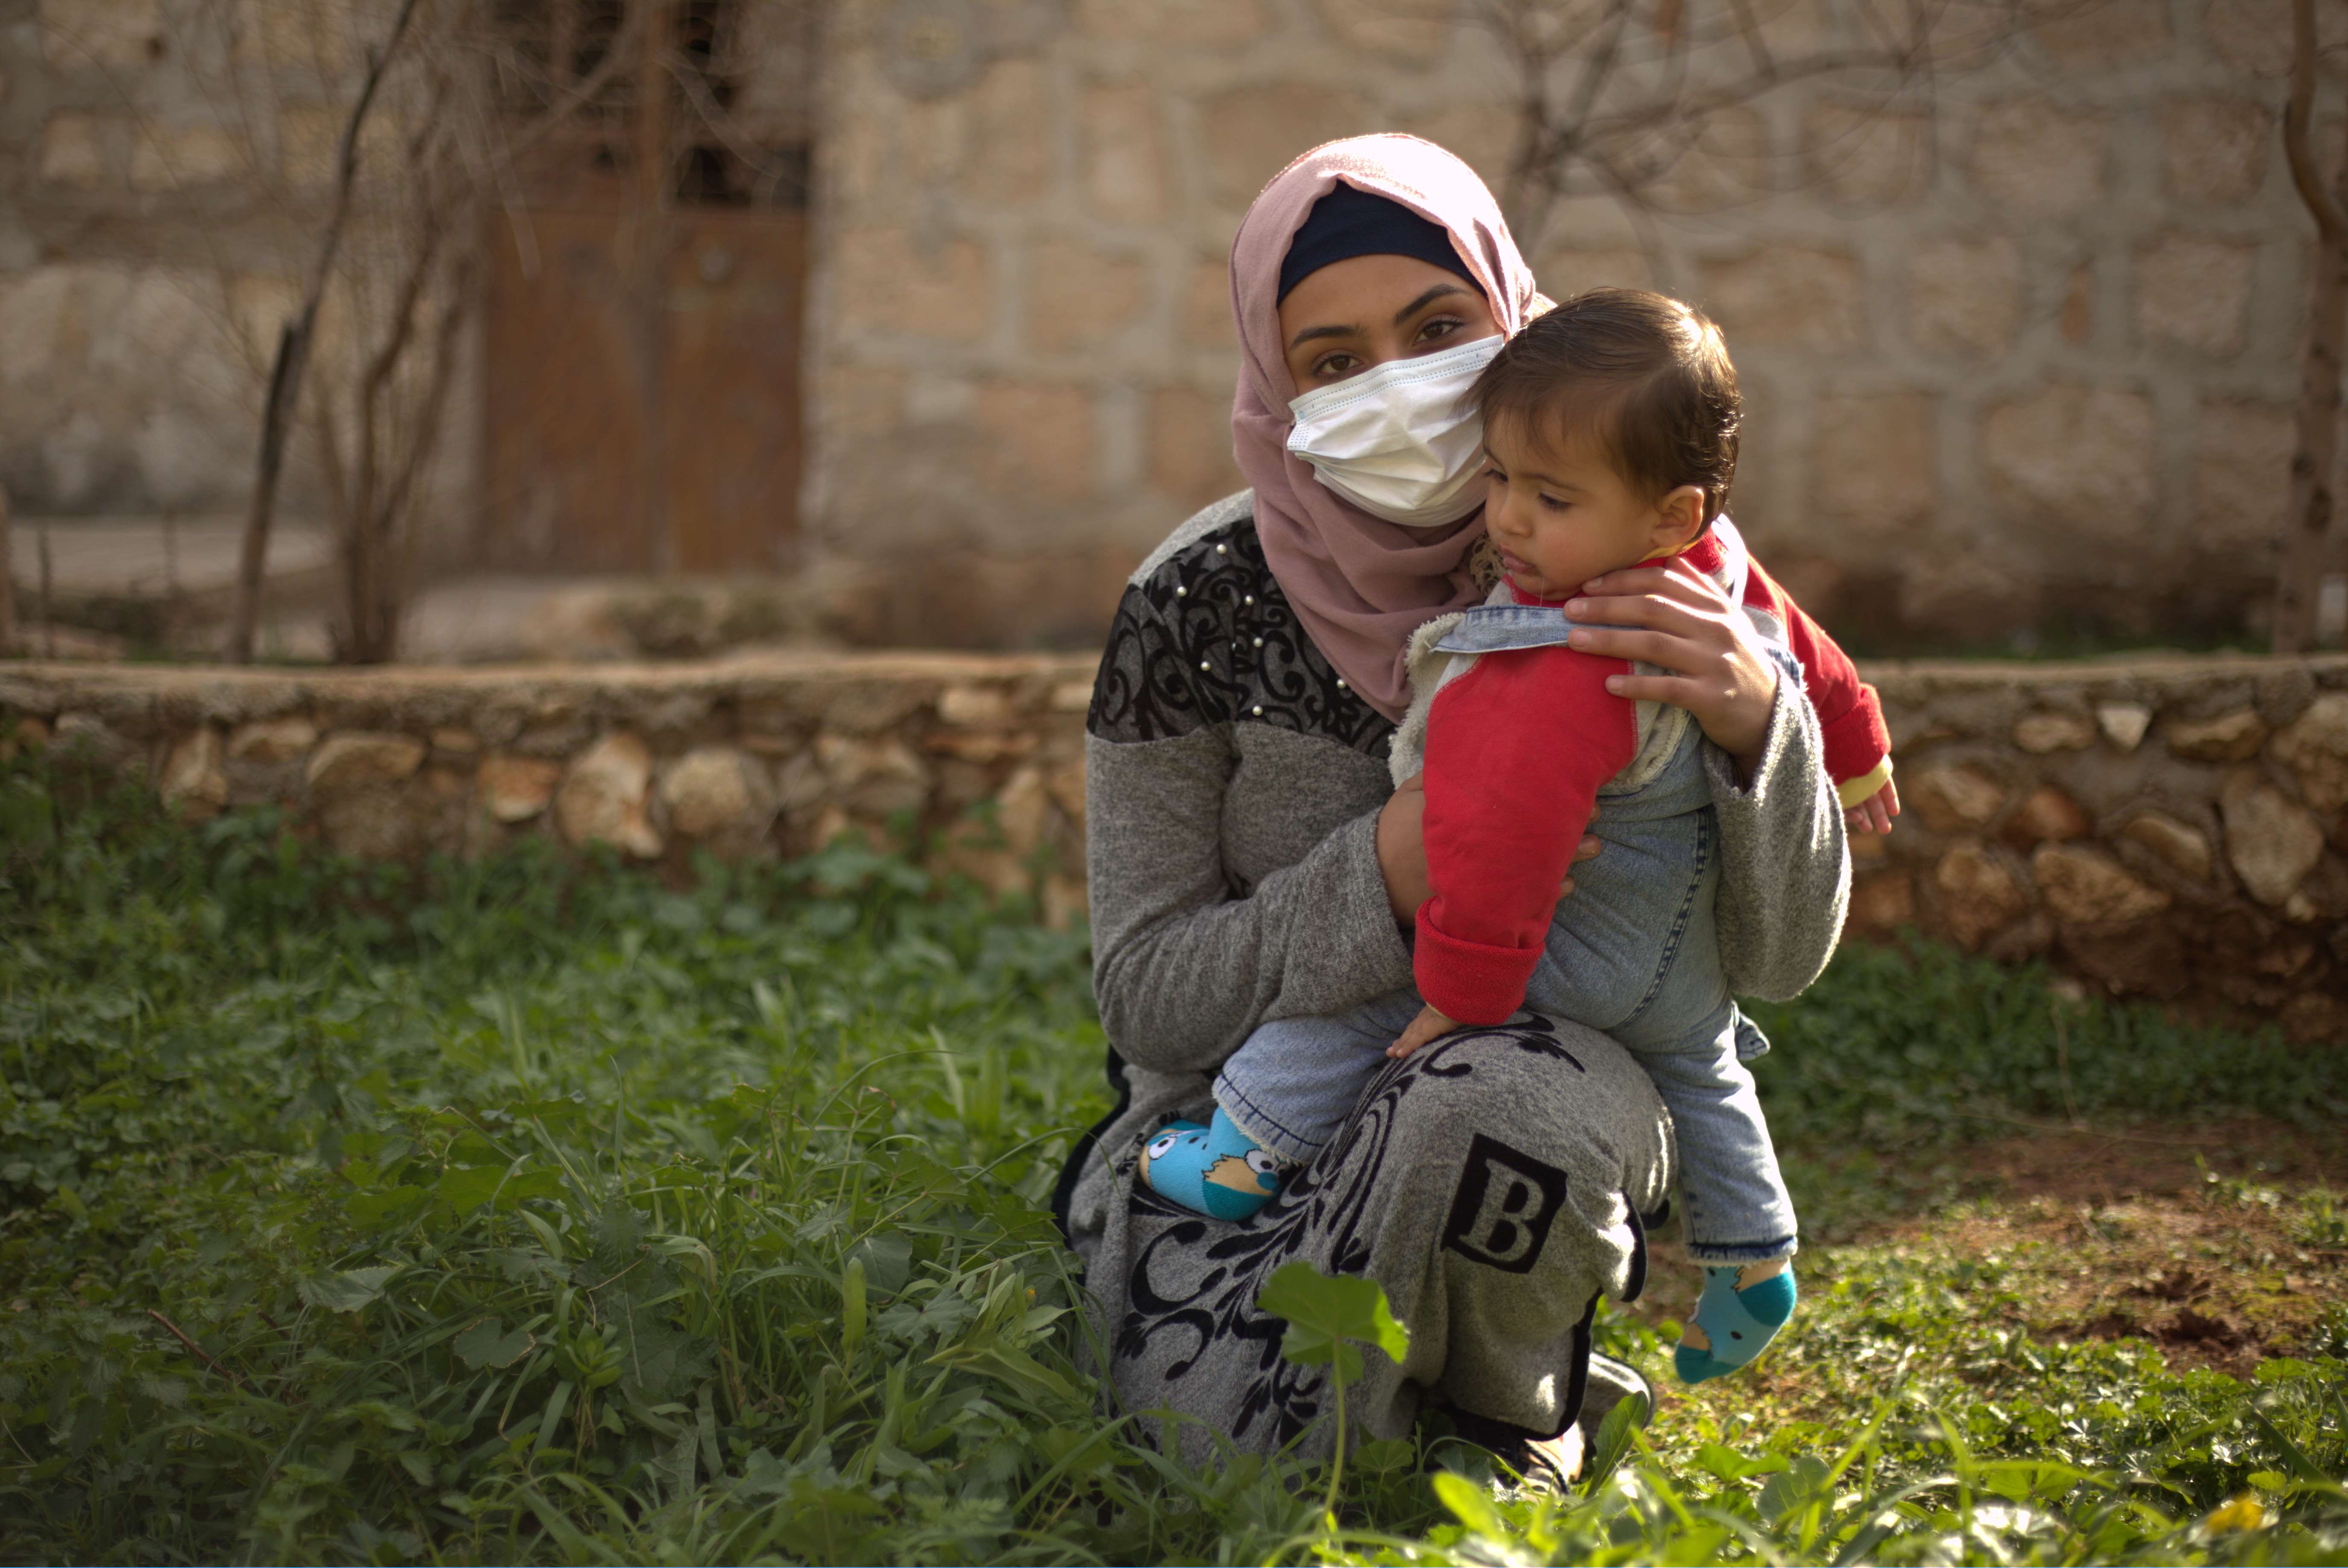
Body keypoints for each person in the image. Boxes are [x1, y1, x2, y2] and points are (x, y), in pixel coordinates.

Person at [1050, 133, 1852, 1483]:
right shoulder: (1191, 602)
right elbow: (1146, 992)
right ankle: (1428, 1391)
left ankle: (1506, 1408)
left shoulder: (1638, 557)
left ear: (1513, 314)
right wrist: (1386, 870)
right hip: (1233, 1116)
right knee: (1218, 1452)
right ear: (1274, 377)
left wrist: (1761, 729)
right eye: (1335, 361)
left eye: (1438, 328)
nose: (1402, 388)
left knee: (1494, 1111)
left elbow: (1777, 962)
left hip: (1530, 1087)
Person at [1135, 289, 1894, 1387]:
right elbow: (1808, 651)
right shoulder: (1716, 576)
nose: (1508, 522)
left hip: (1566, 963)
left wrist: (1458, 991)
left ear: (1669, 514)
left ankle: (1244, 1147)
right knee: (1712, 1074)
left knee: (1368, 990)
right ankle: (1753, 1258)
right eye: (1496, 479)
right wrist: (1860, 747)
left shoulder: (1553, 658)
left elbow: (1498, 843)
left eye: (1548, 496)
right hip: (1680, 980)